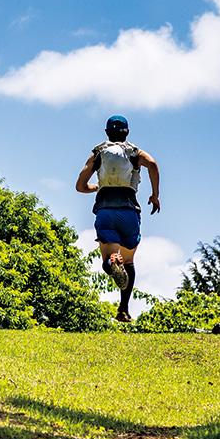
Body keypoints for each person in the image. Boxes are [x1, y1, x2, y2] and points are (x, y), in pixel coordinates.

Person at [75, 115, 160, 323]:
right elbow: (153, 165)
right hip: (129, 211)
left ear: (106, 133)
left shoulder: (98, 153)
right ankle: (123, 309)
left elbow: (80, 186)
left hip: (105, 212)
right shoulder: (134, 152)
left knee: (107, 260)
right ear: (127, 132)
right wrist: (155, 195)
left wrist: (98, 186)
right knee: (129, 261)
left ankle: (113, 261)